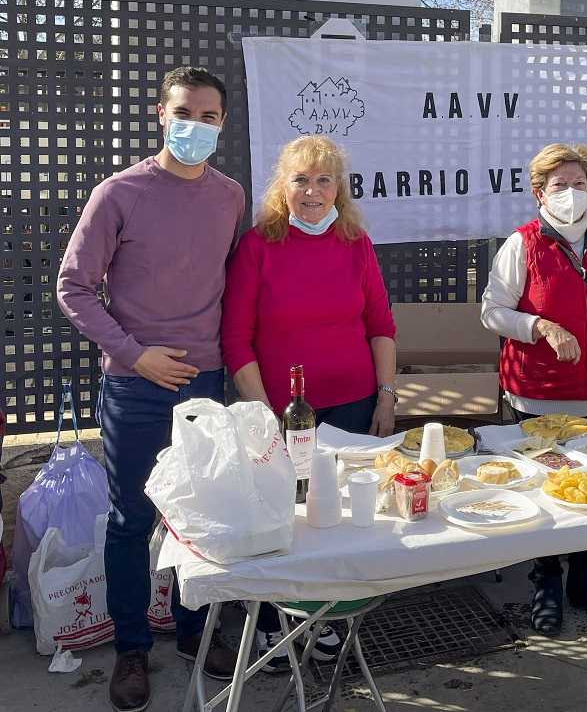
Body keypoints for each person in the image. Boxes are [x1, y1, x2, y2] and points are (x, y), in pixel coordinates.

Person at [57, 67, 244, 712]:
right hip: (134, 387)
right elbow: (73, 287)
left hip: (206, 384)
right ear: (161, 115)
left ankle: (195, 633)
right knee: (132, 521)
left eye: (209, 116)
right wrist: (136, 356)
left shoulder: (229, 197)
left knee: (198, 517)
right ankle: (132, 650)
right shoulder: (120, 193)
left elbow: (227, 283)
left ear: (223, 124)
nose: (197, 125)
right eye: (185, 112)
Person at [222, 134, 397, 667]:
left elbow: (380, 325)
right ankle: (271, 625)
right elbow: (236, 340)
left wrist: (386, 395)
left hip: (354, 405)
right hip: (283, 414)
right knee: (281, 520)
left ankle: (325, 619)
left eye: (324, 180)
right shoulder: (258, 246)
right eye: (301, 180)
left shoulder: (355, 242)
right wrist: (264, 416)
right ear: (283, 186)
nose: (313, 192)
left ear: (339, 189)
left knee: (336, 517)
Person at [481, 143, 587, 635]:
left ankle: (586, 576)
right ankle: (546, 581)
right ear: (539, 193)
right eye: (559, 185)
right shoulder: (523, 244)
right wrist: (540, 327)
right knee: (546, 490)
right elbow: (492, 310)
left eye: (579, 184)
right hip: (535, 396)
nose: (571, 193)